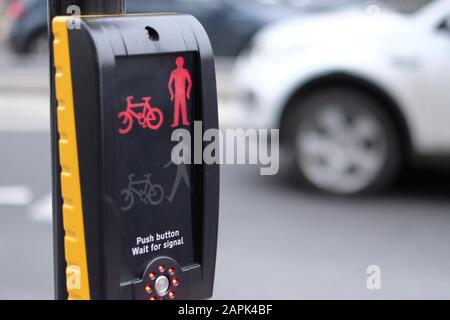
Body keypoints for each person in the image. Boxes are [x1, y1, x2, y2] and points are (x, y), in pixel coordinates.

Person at [168, 56, 192, 127]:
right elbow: (169, 85)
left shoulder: (185, 71)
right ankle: (176, 122)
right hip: (177, 93)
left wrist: (187, 93)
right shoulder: (174, 72)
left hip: (183, 92)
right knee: (176, 108)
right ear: (176, 63)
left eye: (181, 62)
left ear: (183, 62)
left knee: (183, 107)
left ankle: (185, 121)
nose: (180, 63)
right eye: (178, 62)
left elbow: (190, 82)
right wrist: (172, 95)